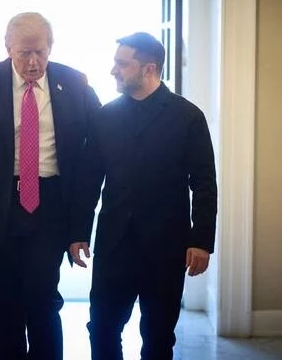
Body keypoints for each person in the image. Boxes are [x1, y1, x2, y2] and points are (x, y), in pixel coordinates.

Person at [0, 12, 101, 360]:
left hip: (49, 207)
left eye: (40, 53)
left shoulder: (74, 82)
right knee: (0, 307)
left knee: (43, 301)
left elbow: (103, 137)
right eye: (24, 53)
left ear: (51, 47)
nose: (33, 62)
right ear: (8, 48)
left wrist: (80, 226)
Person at [69, 32, 217, 360]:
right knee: (102, 328)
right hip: (114, 244)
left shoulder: (188, 117)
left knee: (159, 336)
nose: (113, 70)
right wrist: (78, 232)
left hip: (166, 246)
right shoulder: (104, 116)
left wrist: (202, 241)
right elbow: (88, 180)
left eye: (122, 64)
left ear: (149, 69)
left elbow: (204, 183)